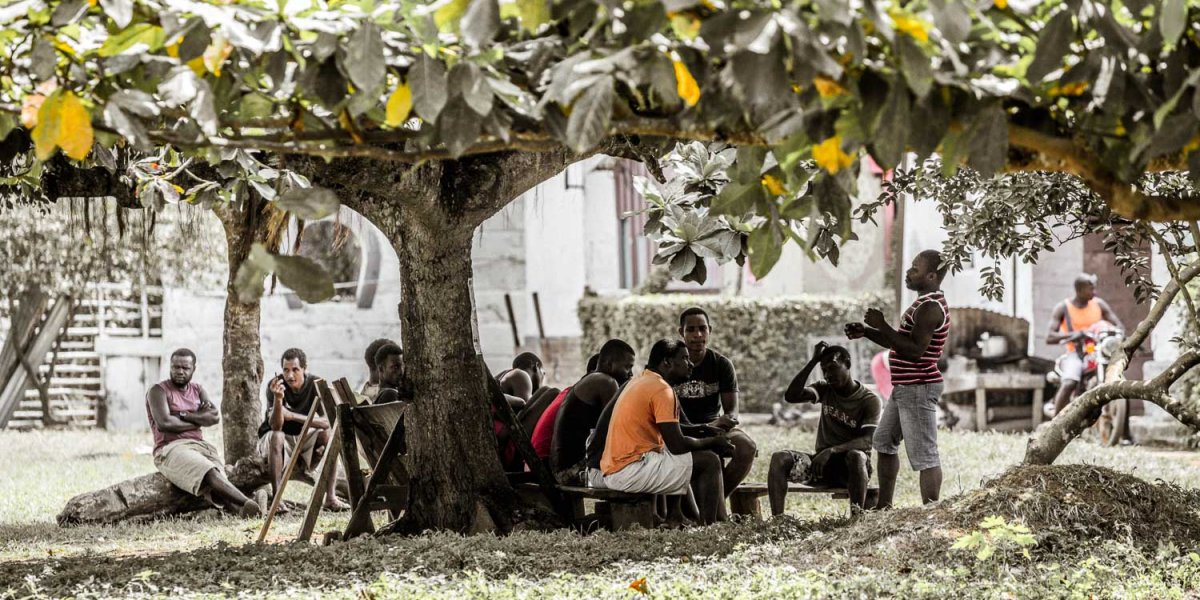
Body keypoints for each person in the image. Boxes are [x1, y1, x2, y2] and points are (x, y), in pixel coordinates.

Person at [846, 249, 950, 508]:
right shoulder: (922, 303)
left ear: (931, 275)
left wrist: (881, 325)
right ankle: (885, 506)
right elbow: (900, 342)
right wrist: (868, 332)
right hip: (905, 387)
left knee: (924, 455)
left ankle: (931, 512)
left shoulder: (930, 307)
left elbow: (915, 351)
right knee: (884, 441)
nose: (908, 272)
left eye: (915, 268)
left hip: (918, 387)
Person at [601, 339, 734, 525]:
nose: (691, 364)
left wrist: (701, 429)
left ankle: (675, 516)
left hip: (616, 468)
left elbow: (668, 429)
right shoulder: (662, 390)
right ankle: (708, 527)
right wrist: (713, 443)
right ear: (667, 362)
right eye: (685, 359)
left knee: (671, 454)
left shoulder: (643, 379)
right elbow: (678, 444)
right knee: (709, 461)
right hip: (628, 472)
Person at [146, 349, 261, 517]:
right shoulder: (158, 391)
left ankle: (243, 511)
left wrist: (184, 415)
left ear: (194, 368)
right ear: (170, 367)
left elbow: (213, 417)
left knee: (219, 480)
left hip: (201, 446)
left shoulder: (198, 390)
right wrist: (198, 419)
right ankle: (247, 503)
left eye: (185, 368)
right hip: (171, 449)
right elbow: (164, 423)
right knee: (209, 471)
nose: (180, 371)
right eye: (175, 367)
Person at [769, 343, 881, 515]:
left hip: (852, 470)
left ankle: (856, 519)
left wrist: (833, 450)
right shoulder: (824, 389)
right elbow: (791, 396)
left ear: (848, 365)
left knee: (857, 456)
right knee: (780, 458)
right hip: (820, 467)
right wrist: (813, 361)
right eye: (824, 370)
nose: (828, 375)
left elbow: (868, 440)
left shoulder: (869, 399)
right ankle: (778, 521)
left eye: (833, 368)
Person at [673, 307, 757, 496]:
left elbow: (732, 413)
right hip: (680, 430)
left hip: (715, 427)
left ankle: (716, 499)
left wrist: (717, 424)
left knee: (747, 447)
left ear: (710, 330)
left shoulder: (721, 364)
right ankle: (705, 505)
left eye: (703, 328)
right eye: (691, 329)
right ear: (681, 332)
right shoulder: (671, 364)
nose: (698, 335)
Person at [256, 348, 348, 512]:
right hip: (279, 439)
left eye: (295, 370)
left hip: (305, 437)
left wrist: (291, 415)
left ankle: (331, 497)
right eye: (286, 370)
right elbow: (276, 426)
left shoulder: (316, 384)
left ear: (304, 369)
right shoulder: (276, 385)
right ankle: (277, 499)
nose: (290, 376)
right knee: (276, 436)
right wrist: (278, 401)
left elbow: (329, 422)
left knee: (328, 435)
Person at [549, 341, 635, 484]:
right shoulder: (606, 382)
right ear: (609, 364)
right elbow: (618, 429)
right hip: (572, 471)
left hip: (561, 469)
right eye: (627, 367)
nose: (631, 373)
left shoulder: (590, 380)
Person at [1046, 274, 1125, 415]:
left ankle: (1125, 435)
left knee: (1119, 383)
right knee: (1070, 382)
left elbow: (1118, 325)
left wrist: (1120, 334)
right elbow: (1050, 337)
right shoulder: (1063, 308)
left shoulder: (1099, 304)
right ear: (1079, 290)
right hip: (1075, 354)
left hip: (1097, 353)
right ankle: (1054, 426)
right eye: (1090, 289)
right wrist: (1075, 334)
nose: (1094, 293)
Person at [531, 353, 599, 460]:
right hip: (542, 463)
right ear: (595, 374)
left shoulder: (571, 391)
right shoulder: (583, 399)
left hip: (535, 459)